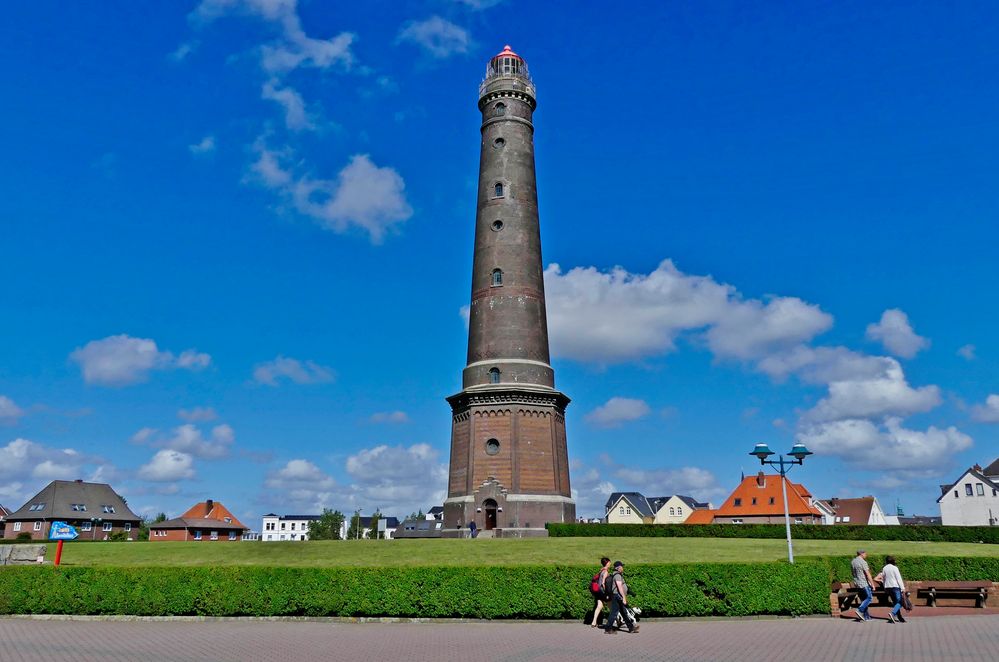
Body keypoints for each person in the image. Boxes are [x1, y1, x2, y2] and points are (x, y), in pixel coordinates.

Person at [604, 561, 639, 634]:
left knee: (623, 613)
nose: (623, 568)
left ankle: (631, 628)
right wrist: (624, 597)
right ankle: (608, 629)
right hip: (617, 596)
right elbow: (619, 587)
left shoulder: (617, 575)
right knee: (614, 613)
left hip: (617, 596)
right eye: (622, 566)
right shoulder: (617, 575)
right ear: (618, 568)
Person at [851, 550, 876, 622]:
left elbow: (853, 573)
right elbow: (868, 574)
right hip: (864, 583)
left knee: (863, 600)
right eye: (865, 553)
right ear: (861, 554)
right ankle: (860, 610)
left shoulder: (853, 561)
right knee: (869, 598)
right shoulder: (863, 562)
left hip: (857, 583)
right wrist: (872, 584)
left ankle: (866, 616)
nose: (866, 555)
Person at [881, 555, 907, 623]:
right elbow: (899, 579)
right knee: (900, 602)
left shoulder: (884, 568)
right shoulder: (895, 568)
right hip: (895, 587)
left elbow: (883, 579)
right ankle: (892, 613)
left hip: (888, 587)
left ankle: (899, 617)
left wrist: (884, 586)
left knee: (895, 603)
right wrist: (903, 588)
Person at [590, 557, 612, 628]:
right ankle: (615, 621)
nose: (610, 563)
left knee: (599, 606)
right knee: (611, 607)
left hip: (598, 592)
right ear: (607, 563)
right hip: (603, 592)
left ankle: (593, 622)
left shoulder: (601, 571)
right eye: (609, 562)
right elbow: (603, 583)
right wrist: (607, 593)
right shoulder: (605, 572)